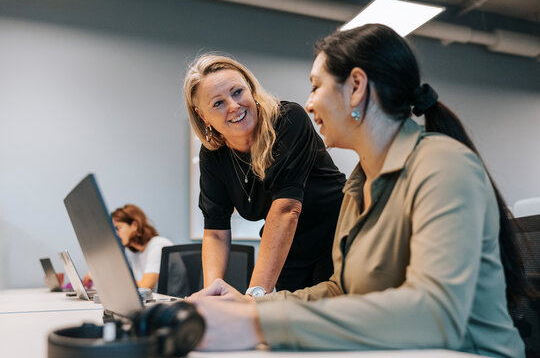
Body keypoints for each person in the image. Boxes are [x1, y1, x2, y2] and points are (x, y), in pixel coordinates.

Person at [187, 24, 531, 357]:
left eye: (316, 87)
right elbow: (342, 290)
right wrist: (248, 307)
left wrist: (260, 322)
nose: (308, 105)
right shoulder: (357, 187)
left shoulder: (443, 165)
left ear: (355, 87)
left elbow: (433, 314)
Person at [184, 53, 346, 294]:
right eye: (218, 103)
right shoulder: (214, 155)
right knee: (284, 326)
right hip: (292, 249)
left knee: (324, 323)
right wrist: (212, 294)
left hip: (337, 238)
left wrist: (253, 298)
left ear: (250, 89)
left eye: (237, 92)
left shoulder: (287, 120)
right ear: (202, 115)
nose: (234, 106)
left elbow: (286, 209)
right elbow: (216, 231)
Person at [83, 204, 186, 295]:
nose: (116, 234)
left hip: (170, 307)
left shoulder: (158, 245)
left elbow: (145, 287)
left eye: (118, 228)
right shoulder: (136, 254)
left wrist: (104, 277)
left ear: (134, 225)